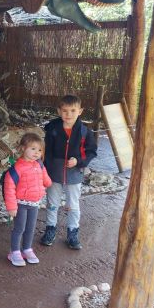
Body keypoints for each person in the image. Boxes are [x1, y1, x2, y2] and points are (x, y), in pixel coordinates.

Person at [40, 95, 97, 250]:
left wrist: (78, 161)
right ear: (59, 111)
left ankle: (73, 232)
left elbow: (91, 151)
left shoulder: (85, 132)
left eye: (73, 110)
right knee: (52, 203)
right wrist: (44, 170)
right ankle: (50, 229)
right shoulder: (52, 128)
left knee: (73, 204)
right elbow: (47, 151)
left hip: (74, 174)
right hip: (54, 172)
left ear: (80, 111)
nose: (68, 114)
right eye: (65, 111)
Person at [3, 133, 52, 266]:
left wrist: (48, 183)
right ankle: (14, 252)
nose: (37, 153)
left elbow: (45, 179)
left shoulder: (39, 165)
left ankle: (27, 249)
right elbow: (9, 188)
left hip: (34, 203)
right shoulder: (17, 168)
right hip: (20, 204)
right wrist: (11, 207)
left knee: (30, 228)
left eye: (40, 150)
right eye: (33, 149)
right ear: (23, 148)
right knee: (19, 228)